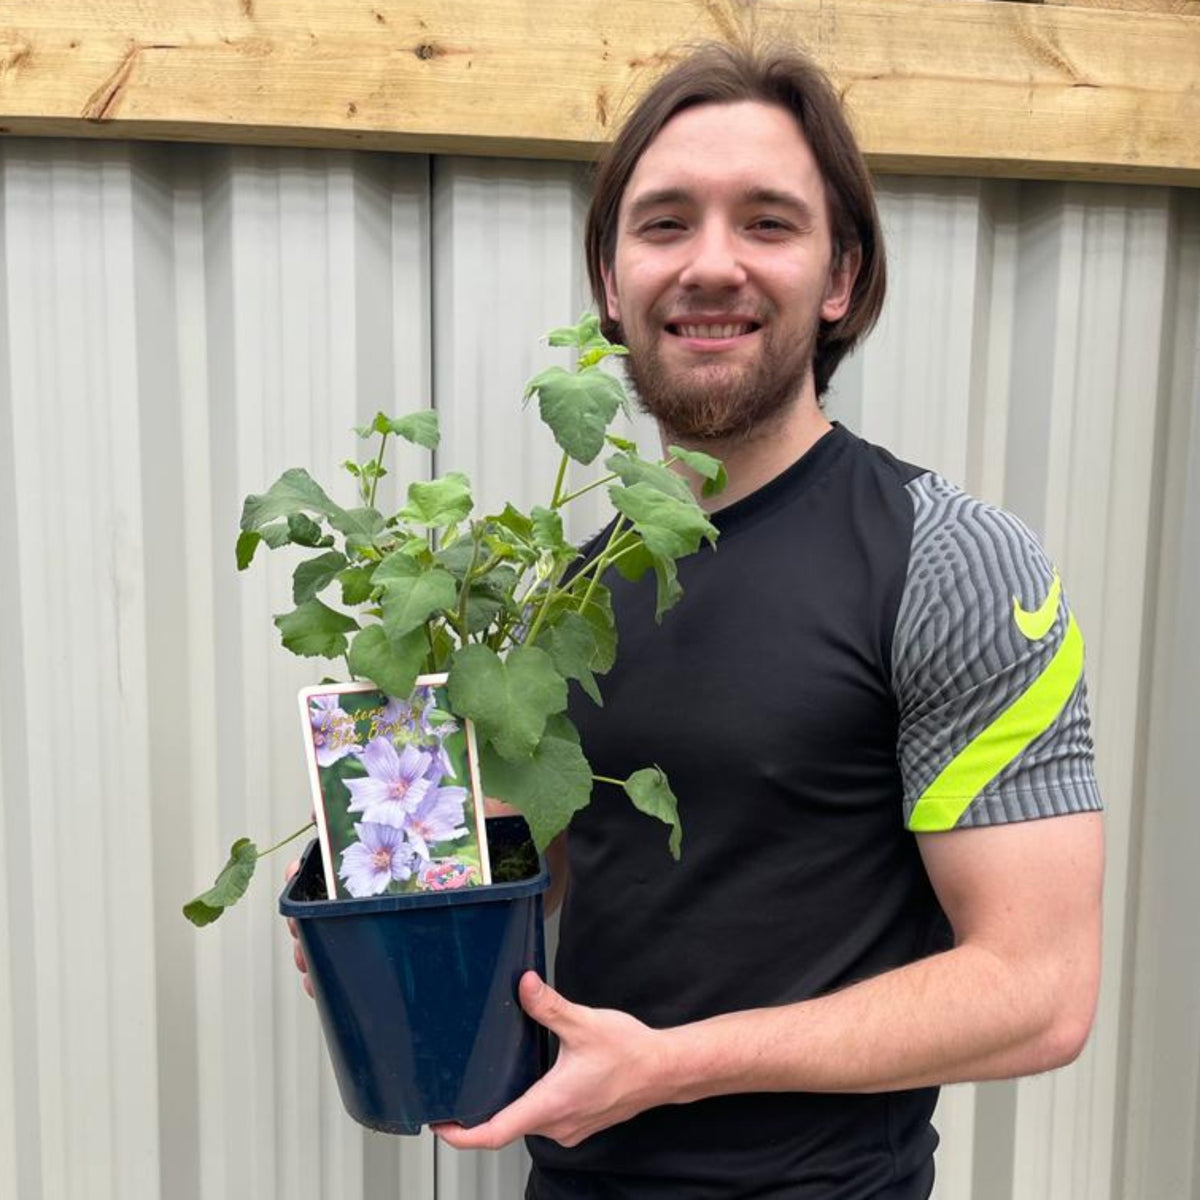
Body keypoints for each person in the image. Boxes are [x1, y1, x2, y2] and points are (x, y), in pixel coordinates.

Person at [293, 41, 1105, 1199]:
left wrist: (670, 1069)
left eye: (767, 223)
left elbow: (1039, 991)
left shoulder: (952, 561)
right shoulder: (561, 594)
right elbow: (542, 869)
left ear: (840, 278)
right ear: (613, 283)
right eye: (665, 223)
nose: (711, 264)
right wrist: (394, 922)